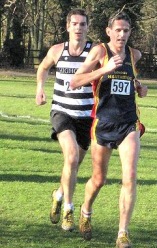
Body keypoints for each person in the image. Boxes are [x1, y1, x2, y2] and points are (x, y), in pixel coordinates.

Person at [70, 11, 148, 248]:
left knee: (130, 177)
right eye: (118, 30)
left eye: (126, 31)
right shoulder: (100, 52)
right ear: (108, 31)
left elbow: (132, 82)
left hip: (128, 124)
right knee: (99, 179)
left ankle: (122, 234)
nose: (122, 35)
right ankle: (86, 210)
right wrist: (103, 70)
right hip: (103, 123)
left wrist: (140, 87)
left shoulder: (134, 55)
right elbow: (75, 81)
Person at [36, 9, 94, 232]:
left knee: (74, 164)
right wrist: (40, 89)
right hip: (62, 111)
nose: (78, 28)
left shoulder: (94, 53)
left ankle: (59, 194)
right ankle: (68, 210)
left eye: (83, 24)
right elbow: (43, 67)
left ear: (88, 27)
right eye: (75, 24)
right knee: (70, 157)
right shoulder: (57, 50)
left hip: (87, 116)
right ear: (67, 26)